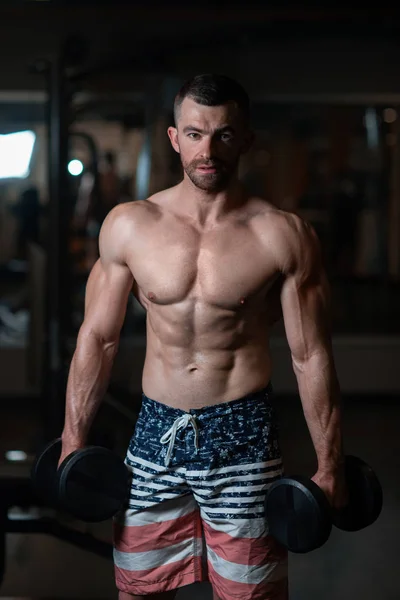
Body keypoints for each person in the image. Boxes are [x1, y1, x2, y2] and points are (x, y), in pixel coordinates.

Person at [59, 74, 347, 600]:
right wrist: (73, 439)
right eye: (194, 134)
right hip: (154, 435)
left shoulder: (282, 234)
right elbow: (96, 338)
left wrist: (330, 464)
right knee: (140, 588)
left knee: (250, 593)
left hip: (244, 437)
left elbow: (310, 355)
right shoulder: (129, 226)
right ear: (174, 138)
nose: (207, 150)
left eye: (223, 135)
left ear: (247, 140)